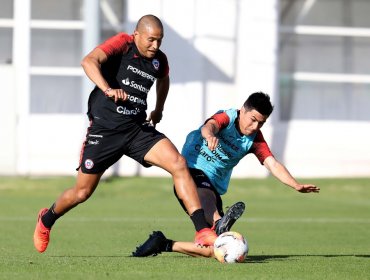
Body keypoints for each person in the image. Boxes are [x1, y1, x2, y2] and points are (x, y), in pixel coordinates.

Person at [33, 14, 217, 254]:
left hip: (137, 129)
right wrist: (108, 89)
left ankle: (202, 230)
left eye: (160, 41)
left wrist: (158, 108)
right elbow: (89, 61)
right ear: (137, 35)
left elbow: (164, 80)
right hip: (105, 130)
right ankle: (46, 220)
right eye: (151, 40)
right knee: (82, 192)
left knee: (178, 163)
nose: (155, 46)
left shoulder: (159, 60)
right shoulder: (123, 43)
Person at [132, 91, 320, 258]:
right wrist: (209, 136)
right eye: (253, 119)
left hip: (214, 186)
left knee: (217, 249)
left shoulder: (254, 139)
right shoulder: (228, 118)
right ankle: (218, 222)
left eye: (261, 123)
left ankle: (164, 244)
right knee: (203, 194)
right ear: (243, 110)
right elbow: (210, 125)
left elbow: (272, 164)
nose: (255, 126)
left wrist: (295, 184)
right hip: (192, 169)